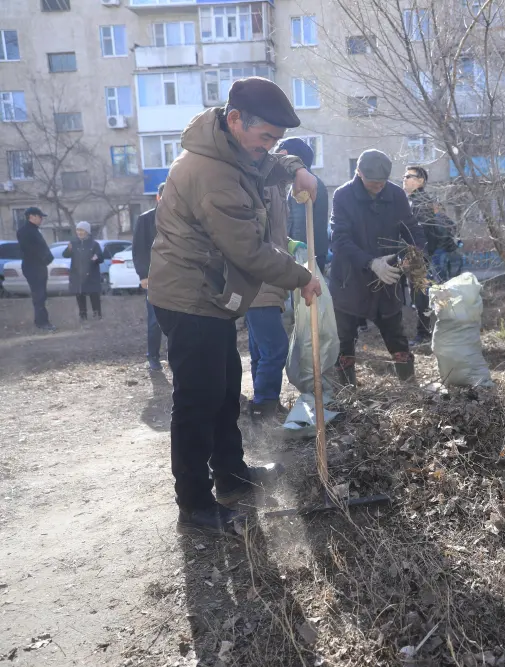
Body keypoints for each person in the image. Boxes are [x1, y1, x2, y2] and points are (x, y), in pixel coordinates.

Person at [147, 77, 323, 537]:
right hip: (190, 298)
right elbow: (248, 251)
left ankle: (230, 473)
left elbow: (265, 163)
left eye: (276, 140)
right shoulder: (213, 173)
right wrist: (303, 277)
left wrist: (294, 167)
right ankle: (195, 506)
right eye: (266, 137)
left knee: (226, 390)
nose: (270, 146)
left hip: (211, 295)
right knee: (197, 401)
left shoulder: (235, 149)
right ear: (235, 120)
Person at [329, 149, 425, 386]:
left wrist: (414, 254)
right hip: (350, 278)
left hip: (388, 278)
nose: (379, 187)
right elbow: (339, 239)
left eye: (382, 182)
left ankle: (409, 386)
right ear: (359, 173)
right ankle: (348, 391)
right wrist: (370, 262)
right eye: (373, 183)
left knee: (395, 333)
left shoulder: (395, 195)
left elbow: (411, 228)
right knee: (345, 338)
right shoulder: (343, 196)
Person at [244, 181, 294, 423]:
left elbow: (275, 232)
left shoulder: (276, 188)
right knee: (275, 348)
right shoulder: (265, 185)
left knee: (261, 351)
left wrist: (288, 246)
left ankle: (265, 404)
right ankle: (264, 408)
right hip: (262, 277)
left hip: (266, 278)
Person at [402, 164, 459, 347]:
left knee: (421, 297)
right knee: (421, 296)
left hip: (422, 258)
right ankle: (426, 333)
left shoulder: (421, 202)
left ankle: (424, 335)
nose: (405, 179)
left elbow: (427, 233)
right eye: (404, 175)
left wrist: (419, 258)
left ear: (420, 181)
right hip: (421, 257)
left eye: (409, 176)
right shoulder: (414, 201)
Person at [278, 138, 329, 275]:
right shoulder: (314, 181)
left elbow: (300, 225)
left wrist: (295, 254)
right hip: (314, 253)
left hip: (306, 256)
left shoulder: (303, 185)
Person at [133, 183, 165, 370]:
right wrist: (143, 275)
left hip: (177, 277)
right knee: (155, 320)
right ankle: (152, 356)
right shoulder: (146, 219)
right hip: (154, 277)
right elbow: (139, 250)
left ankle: (176, 354)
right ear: (158, 197)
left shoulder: (180, 217)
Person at [16, 207, 55, 331]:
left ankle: (40, 321)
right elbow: (31, 250)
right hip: (33, 267)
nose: (41, 219)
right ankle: (42, 323)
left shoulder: (33, 230)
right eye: (40, 216)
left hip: (38, 266)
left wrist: (47, 258)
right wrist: (45, 258)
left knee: (41, 295)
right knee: (39, 295)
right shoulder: (25, 231)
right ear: (32, 216)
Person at [63, 221, 104, 320]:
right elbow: (65, 255)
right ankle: (83, 315)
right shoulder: (73, 243)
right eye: (78, 230)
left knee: (94, 295)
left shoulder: (94, 244)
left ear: (87, 232)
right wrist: (68, 250)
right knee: (80, 295)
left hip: (91, 275)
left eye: (81, 230)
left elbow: (101, 258)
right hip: (77, 274)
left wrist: (97, 257)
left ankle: (97, 314)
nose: (79, 232)